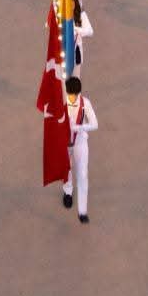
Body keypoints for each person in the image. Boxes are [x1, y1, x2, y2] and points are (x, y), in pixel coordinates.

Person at [62, 74, 98, 223]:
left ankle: (82, 211)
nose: (70, 97)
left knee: (82, 173)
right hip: (64, 142)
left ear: (78, 93)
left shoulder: (85, 103)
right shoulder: (62, 101)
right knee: (66, 169)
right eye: (69, 94)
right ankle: (68, 192)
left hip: (80, 142)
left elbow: (95, 124)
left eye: (73, 95)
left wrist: (80, 127)